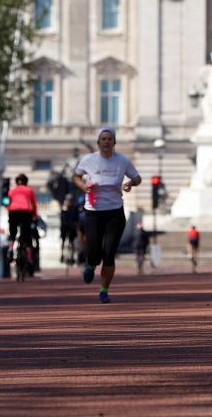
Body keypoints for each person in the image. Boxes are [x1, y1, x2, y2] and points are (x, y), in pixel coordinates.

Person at [75, 127, 142, 303]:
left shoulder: (122, 161)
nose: (106, 141)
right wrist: (83, 186)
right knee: (95, 253)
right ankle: (90, 265)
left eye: (109, 139)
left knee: (109, 253)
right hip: (93, 213)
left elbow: (137, 178)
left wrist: (130, 183)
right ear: (98, 142)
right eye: (103, 139)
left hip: (115, 212)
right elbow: (76, 176)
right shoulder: (88, 160)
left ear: (114, 143)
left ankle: (104, 290)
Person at [6, 174, 39, 271]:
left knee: (12, 233)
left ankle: (10, 248)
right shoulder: (29, 190)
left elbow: (8, 203)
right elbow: (34, 205)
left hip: (13, 212)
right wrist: (34, 216)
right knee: (27, 235)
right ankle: (28, 256)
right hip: (25, 212)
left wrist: (10, 215)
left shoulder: (12, 190)